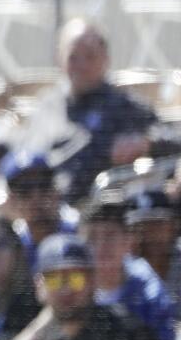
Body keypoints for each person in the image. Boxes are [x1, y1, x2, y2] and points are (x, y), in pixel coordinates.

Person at [0, 234, 165, 340]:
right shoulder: (30, 326)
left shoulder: (122, 329)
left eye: (76, 278)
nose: (66, 289)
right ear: (38, 285)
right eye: (54, 280)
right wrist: (42, 323)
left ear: (93, 281)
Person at [21, 18, 157, 203]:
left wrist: (145, 143)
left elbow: (169, 138)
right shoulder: (47, 106)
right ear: (59, 59)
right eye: (73, 57)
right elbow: (22, 150)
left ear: (106, 59)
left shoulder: (126, 107)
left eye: (90, 56)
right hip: (44, 208)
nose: (81, 66)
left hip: (102, 212)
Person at [79, 198, 176, 340]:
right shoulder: (73, 288)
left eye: (110, 236)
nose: (101, 246)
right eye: (92, 238)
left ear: (128, 241)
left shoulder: (149, 293)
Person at [0, 150, 78, 270]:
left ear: (56, 191)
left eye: (43, 185)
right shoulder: (13, 244)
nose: (36, 197)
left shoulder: (79, 232)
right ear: (11, 200)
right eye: (24, 189)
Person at [123, 188, 181, 301]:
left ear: (173, 227)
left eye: (158, 224)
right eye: (141, 227)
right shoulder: (120, 269)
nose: (151, 234)